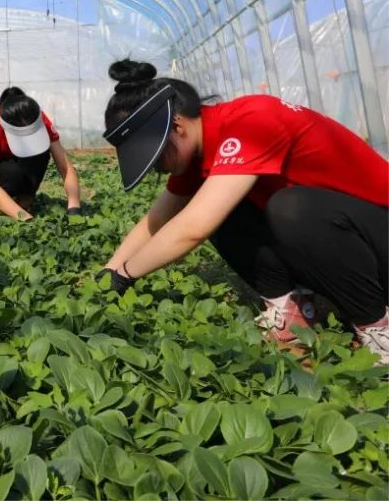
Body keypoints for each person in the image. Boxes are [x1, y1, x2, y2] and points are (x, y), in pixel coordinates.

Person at [99, 59, 388, 363]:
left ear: (178, 125)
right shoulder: (197, 152)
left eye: (157, 157)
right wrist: (108, 274)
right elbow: (158, 219)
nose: (158, 168)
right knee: (221, 206)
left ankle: (377, 326)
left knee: (290, 208)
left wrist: (126, 275)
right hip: (350, 250)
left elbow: (193, 229)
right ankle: (292, 315)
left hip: (379, 233)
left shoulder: (252, 121)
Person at [0, 86, 82, 220]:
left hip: (6, 167)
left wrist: (74, 209)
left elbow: (65, 167)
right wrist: (25, 219)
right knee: (12, 173)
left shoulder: (38, 119)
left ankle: (23, 202)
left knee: (41, 155)